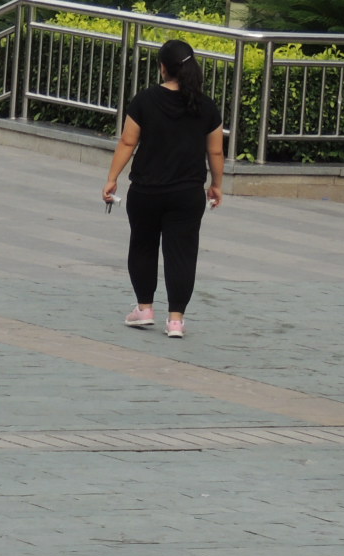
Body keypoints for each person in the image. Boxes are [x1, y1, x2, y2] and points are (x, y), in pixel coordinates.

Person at [102, 39, 223, 339]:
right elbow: (216, 153)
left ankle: (144, 309)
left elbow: (128, 142)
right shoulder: (206, 105)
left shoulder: (144, 100)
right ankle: (176, 320)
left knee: (143, 246)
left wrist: (112, 177)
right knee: (181, 254)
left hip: (146, 190)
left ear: (164, 68)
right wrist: (216, 185)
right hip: (187, 193)